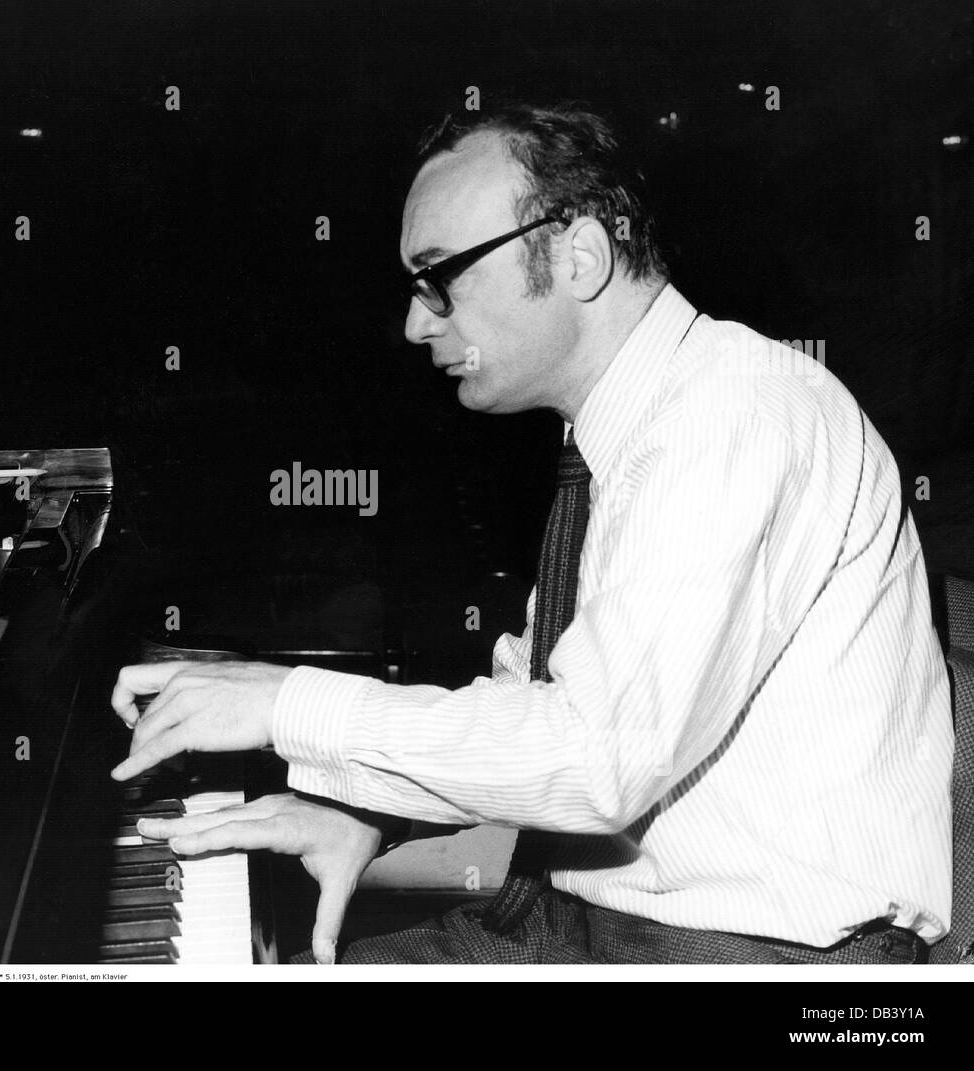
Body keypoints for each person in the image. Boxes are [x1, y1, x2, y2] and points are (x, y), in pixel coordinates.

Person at [109, 103, 953, 965]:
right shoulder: (623, 433)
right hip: (584, 925)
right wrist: (365, 810)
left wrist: (286, 701)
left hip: (756, 957)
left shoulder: (732, 413)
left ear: (580, 254)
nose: (416, 323)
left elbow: (596, 758)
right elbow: (534, 703)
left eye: (441, 275)